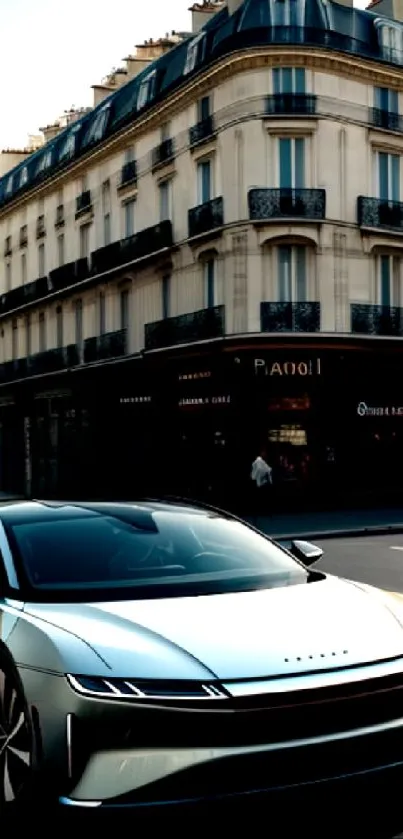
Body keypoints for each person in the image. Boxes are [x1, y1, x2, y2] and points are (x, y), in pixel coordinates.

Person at [251, 449, 273, 513]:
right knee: (258, 498)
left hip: (265, 482)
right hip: (257, 482)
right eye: (262, 452)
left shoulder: (266, 462)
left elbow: (268, 472)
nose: (264, 454)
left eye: (265, 452)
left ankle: (267, 510)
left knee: (266, 497)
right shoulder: (257, 462)